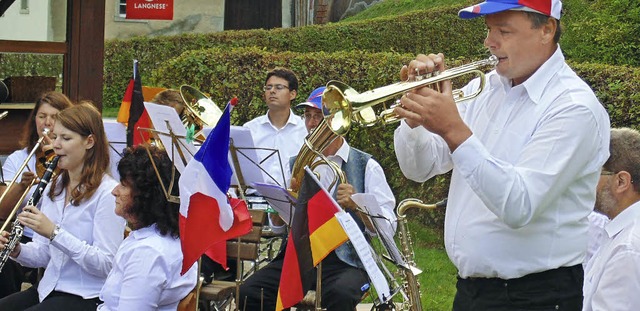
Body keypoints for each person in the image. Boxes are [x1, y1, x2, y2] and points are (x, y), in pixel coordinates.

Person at [392, 0, 610, 309]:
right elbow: (419, 168)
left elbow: (519, 205)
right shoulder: (487, 87)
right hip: (472, 292)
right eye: (489, 29)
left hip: (536, 297)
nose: (489, 42)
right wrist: (415, 120)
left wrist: (454, 130)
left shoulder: (573, 107)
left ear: (546, 30)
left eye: (503, 31)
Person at [238, 86, 397, 311]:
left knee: (339, 295)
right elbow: (278, 229)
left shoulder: (366, 165)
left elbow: (389, 228)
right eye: (308, 116)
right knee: (250, 293)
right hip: (302, 258)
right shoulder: (295, 164)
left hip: (346, 260)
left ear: (338, 120)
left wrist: (358, 204)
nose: (312, 124)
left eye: (319, 116)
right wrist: (280, 209)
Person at [0, 102, 126, 310]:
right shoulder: (55, 186)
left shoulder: (107, 194)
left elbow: (106, 264)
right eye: (56, 137)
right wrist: (18, 250)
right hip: (48, 288)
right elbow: (43, 254)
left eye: (66, 138)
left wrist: (54, 233)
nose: (56, 145)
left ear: (89, 141)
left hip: (86, 296)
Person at [98, 145, 198, 310]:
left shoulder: (148, 253)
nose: (114, 191)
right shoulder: (159, 238)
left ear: (145, 196)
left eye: (123, 185)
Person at [0, 91, 73, 298]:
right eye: (42, 116)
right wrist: (21, 186)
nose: (47, 122)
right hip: (25, 234)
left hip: (60, 235)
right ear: (34, 120)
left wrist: (55, 155)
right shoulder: (18, 158)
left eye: (55, 116)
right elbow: (3, 211)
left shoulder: (72, 160)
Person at [583, 127, 640, 310]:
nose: (584, 182)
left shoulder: (627, 249)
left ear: (621, 181)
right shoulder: (622, 234)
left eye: (592, 173)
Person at [243, 67, 307, 187]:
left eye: (279, 87)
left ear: (292, 94)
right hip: (254, 199)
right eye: (268, 87)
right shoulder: (250, 129)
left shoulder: (305, 130)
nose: (272, 91)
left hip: (290, 201)